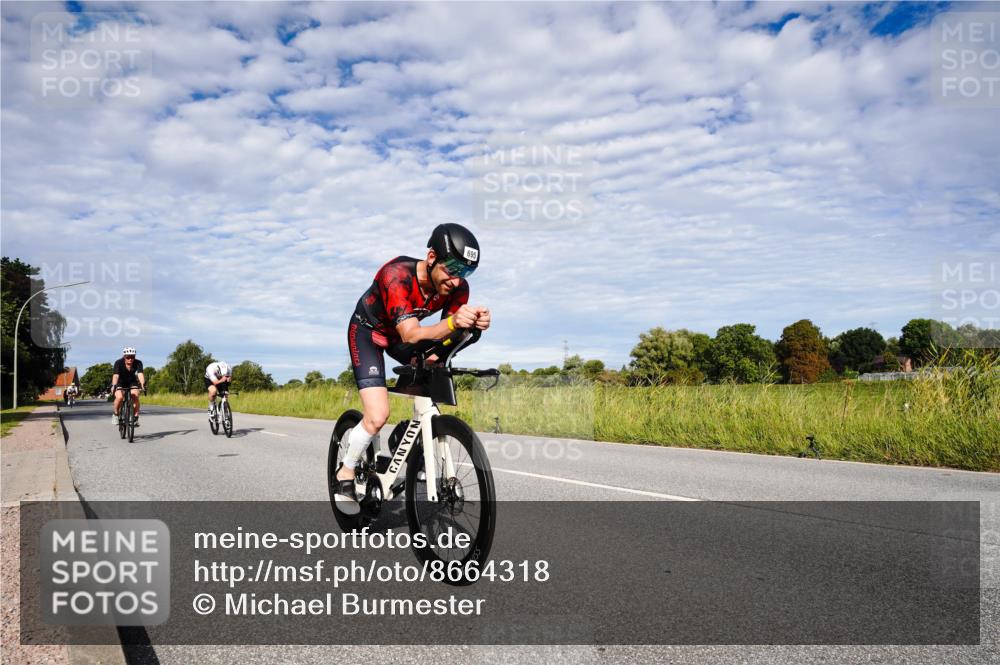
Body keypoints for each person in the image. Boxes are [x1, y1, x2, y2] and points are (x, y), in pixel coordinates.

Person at [334, 223, 491, 514]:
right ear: (431, 257)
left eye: (465, 273)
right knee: (377, 415)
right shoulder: (396, 276)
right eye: (452, 269)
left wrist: (472, 328)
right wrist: (457, 322)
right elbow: (410, 334)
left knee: (433, 364)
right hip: (369, 333)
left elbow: (444, 337)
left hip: (406, 335)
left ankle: (409, 435)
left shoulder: (457, 287)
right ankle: (345, 472)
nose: (457, 281)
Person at [111, 347, 146, 426]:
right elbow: (116, 375)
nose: (130, 359)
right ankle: (116, 414)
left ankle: (135, 417)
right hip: (120, 382)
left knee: (135, 396)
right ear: (124, 357)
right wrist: (114, 385)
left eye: (132, 357)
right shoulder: (118, 363)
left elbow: (140, 374)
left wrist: (143, 384)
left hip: (132, 381)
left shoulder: (138, 363)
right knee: (119, 397)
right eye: (128, 357)